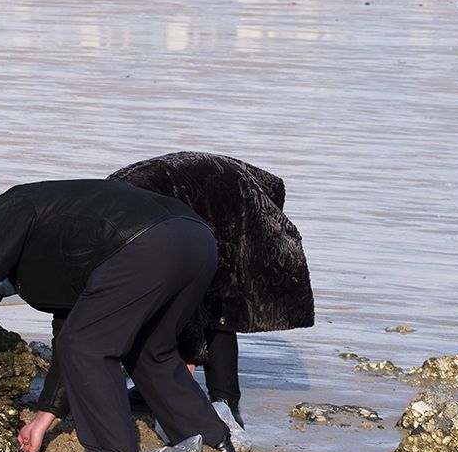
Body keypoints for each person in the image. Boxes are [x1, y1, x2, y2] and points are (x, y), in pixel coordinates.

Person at [0, 178, 235, 452]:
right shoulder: (58, 247)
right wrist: (42, 421)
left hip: (145, 242)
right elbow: (68, 339)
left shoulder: (10, 209)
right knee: (153, 350)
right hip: (196, 239)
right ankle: (213, 444)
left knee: (88, 346)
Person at [107, 150, 314, 435]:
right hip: (186, 193)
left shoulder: (125, 223)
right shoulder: (114, 216)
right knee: (163, 298)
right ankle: (151, 388)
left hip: (223, 196)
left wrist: (188, 360)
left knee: (218, 300)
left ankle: (225, 402)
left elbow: (181, 290)